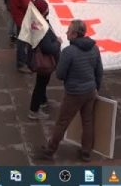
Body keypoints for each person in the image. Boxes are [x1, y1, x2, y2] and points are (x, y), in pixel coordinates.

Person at [36, 19, 104, 162]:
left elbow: (60, 75)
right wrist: (96, 88)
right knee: (88, 121)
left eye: (68, 30)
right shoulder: (95, 48)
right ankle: (86, 152)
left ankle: (50, 150)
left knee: (62, 122)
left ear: (74, 34)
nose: (66, 32)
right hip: (90, 91)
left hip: (74, 93)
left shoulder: (68, 52)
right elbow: (99, 71)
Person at [27, 0, 60, 120]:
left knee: (42, 83)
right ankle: (34, 110)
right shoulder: (41, 26)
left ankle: (43, 100)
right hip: (43, 62)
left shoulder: (35, 21)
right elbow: (48, 48)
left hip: (36, 57)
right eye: (46, 9)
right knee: (40, 84)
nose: (48, 10)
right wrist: (57, 43)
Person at [8, 0, 35, 72]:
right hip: (22, 17)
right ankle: (22, 63)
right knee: (23, 41)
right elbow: (27, 4)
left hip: (19, 15)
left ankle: (23, 61)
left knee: (22, 39)